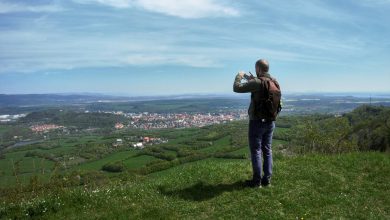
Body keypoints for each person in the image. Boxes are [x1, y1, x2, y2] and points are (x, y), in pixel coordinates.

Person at [233, 59, 279, 188]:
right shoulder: (274, 81)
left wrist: (239, 76)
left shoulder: (257, 82)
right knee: (267, 150)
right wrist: (252, 79)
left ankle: (256, 181)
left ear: (258, 68)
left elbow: (236, 88)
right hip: (270, 121)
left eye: (256, 68)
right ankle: (267, 180)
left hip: (257, 122)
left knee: (256, 151)